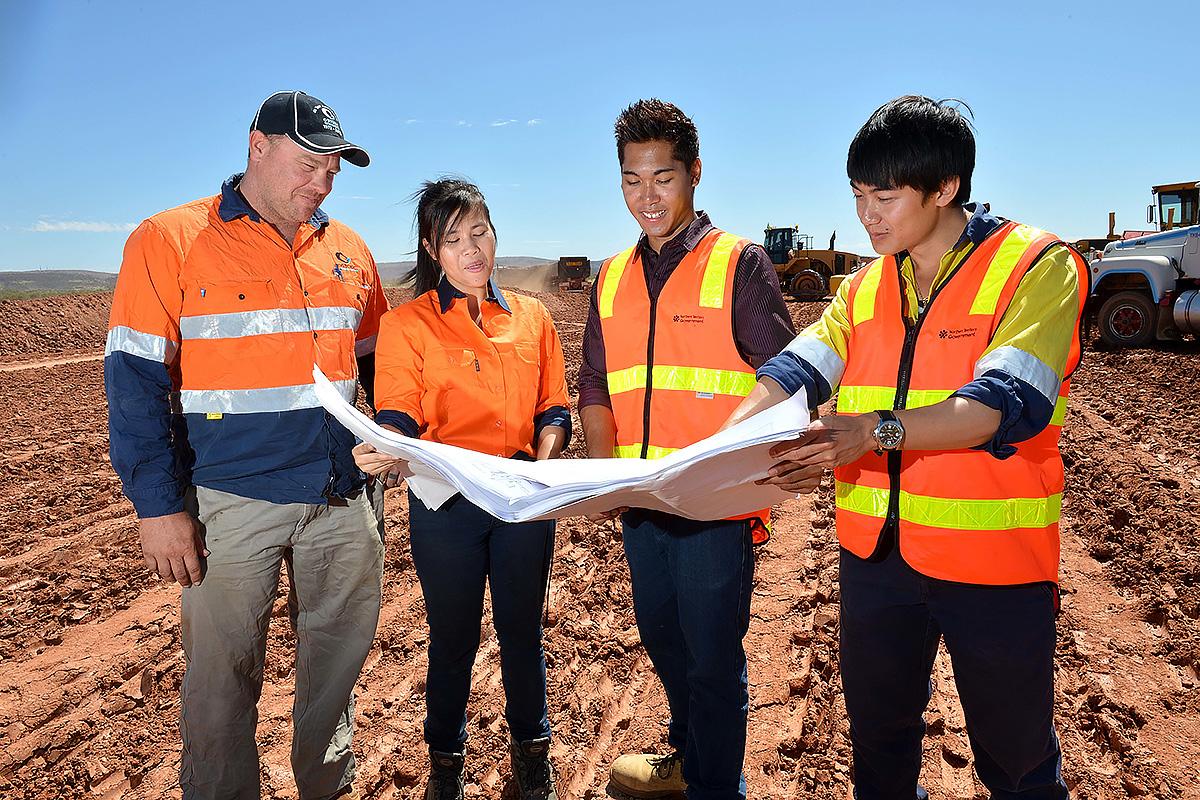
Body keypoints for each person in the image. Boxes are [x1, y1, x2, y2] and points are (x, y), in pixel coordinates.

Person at [726, 96, 1088, 799]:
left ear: (945, 186)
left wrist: (872, 431)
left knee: (1016, 765)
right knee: (879, 744)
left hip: (994, 565)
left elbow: (997, 407)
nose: (868, 215)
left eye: (885, 196)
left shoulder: (1036, 266)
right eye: (858, 195)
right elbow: (793, 372)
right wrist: (718, 446)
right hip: (877, 563)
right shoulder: (861, 286)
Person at [104, 90, 388, 800]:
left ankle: (328, 788)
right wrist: (158, 507)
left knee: (334, 678)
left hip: (342, 501)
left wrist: (401, 441)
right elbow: (136, 387)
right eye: (307, 164)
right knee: (220, 685)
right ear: (256, 145)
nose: (320, 184)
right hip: (232, 505)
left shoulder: (349, 250)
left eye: (333, 171)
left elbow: (383, 370)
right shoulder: (168, 239)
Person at [577, 99, 796, 800]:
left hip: (713, 510)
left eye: (663, 177)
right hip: (642, 504)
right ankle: (690, 758)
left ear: (694, 174)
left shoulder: (739, 265)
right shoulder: (610, 276)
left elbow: (786, 383)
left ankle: (713, 787)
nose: (648, 195)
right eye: (632, 179)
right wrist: (609, 476)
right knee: (665, 643)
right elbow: (595, 383)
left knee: (711, 662)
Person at [352, 178, 570, 800]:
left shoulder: (532, 316)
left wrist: (538, 470)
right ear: (431, 249)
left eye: (480, 233)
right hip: (446, 504)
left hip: (522, 499)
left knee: (522, 632)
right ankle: (445, 763)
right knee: (452, 637)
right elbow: (397, 411)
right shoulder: (407, 325)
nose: (471, 250)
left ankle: (532, 753)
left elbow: (554, 408)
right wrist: (386, 444)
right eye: (453, 240)